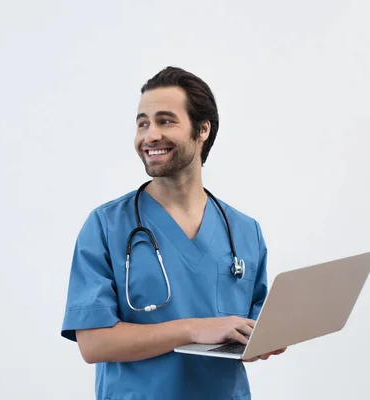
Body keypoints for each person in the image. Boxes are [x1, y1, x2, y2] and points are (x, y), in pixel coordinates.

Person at [60, 66, 285, 399]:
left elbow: (253, 330)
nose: (150, 136)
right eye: (143, 123)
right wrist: (195, 328)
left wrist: (267, 338)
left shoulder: (244, 231)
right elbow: (93, 343)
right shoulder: (107, 225)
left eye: (165, 121)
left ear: (202, 129)